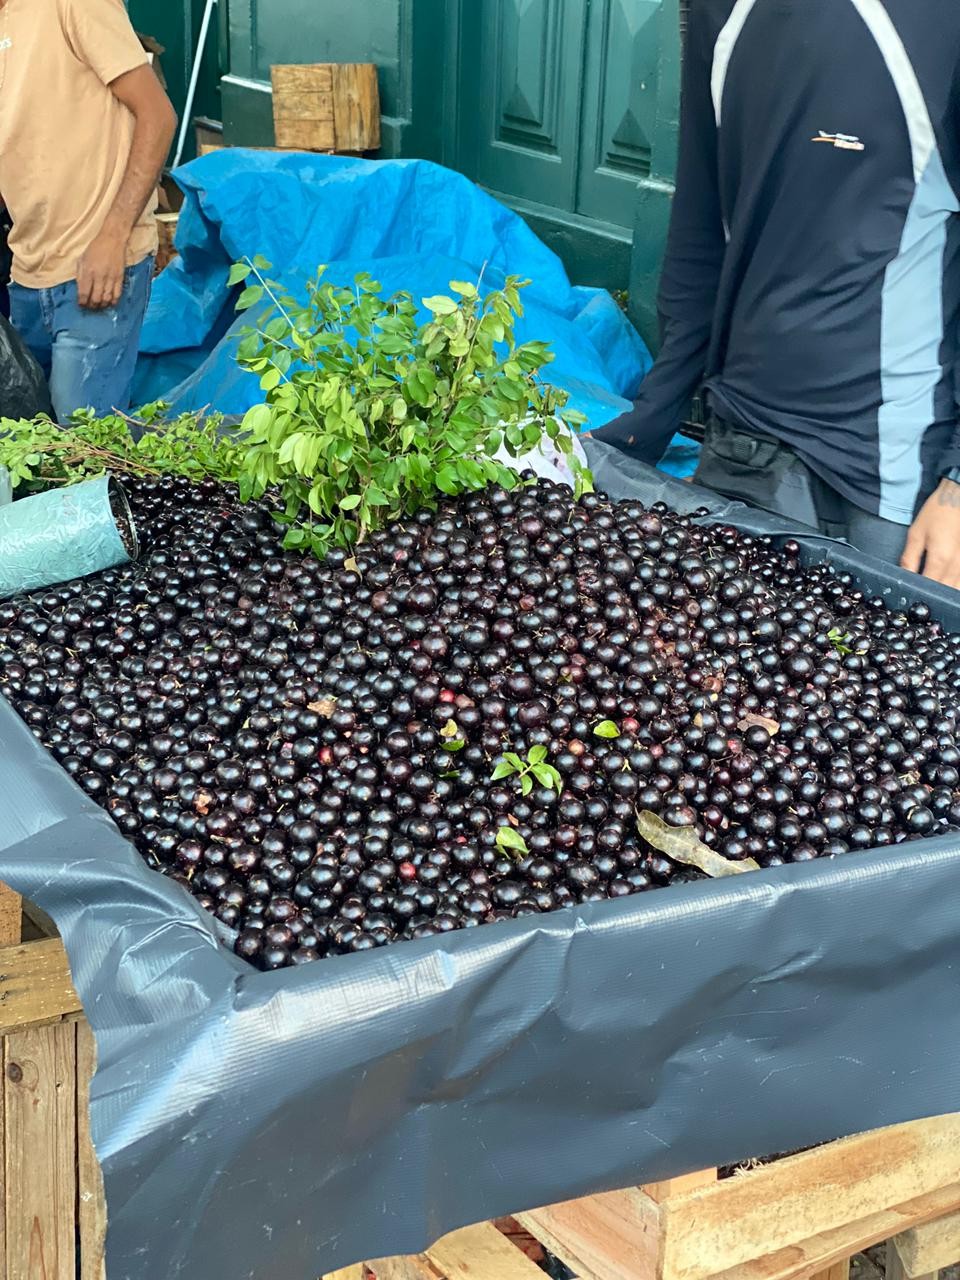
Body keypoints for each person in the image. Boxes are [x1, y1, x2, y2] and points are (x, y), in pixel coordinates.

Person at [595, 0, 960, 591]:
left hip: (887, 478)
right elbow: (698, 229)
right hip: (739, 440)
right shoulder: (718, 12)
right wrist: (646, 430)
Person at [0, 0, 176, 420]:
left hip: (96, 269)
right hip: (26, 272)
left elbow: (158, 115)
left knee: (82, 455)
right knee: (28, 453)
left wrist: (113, 236)